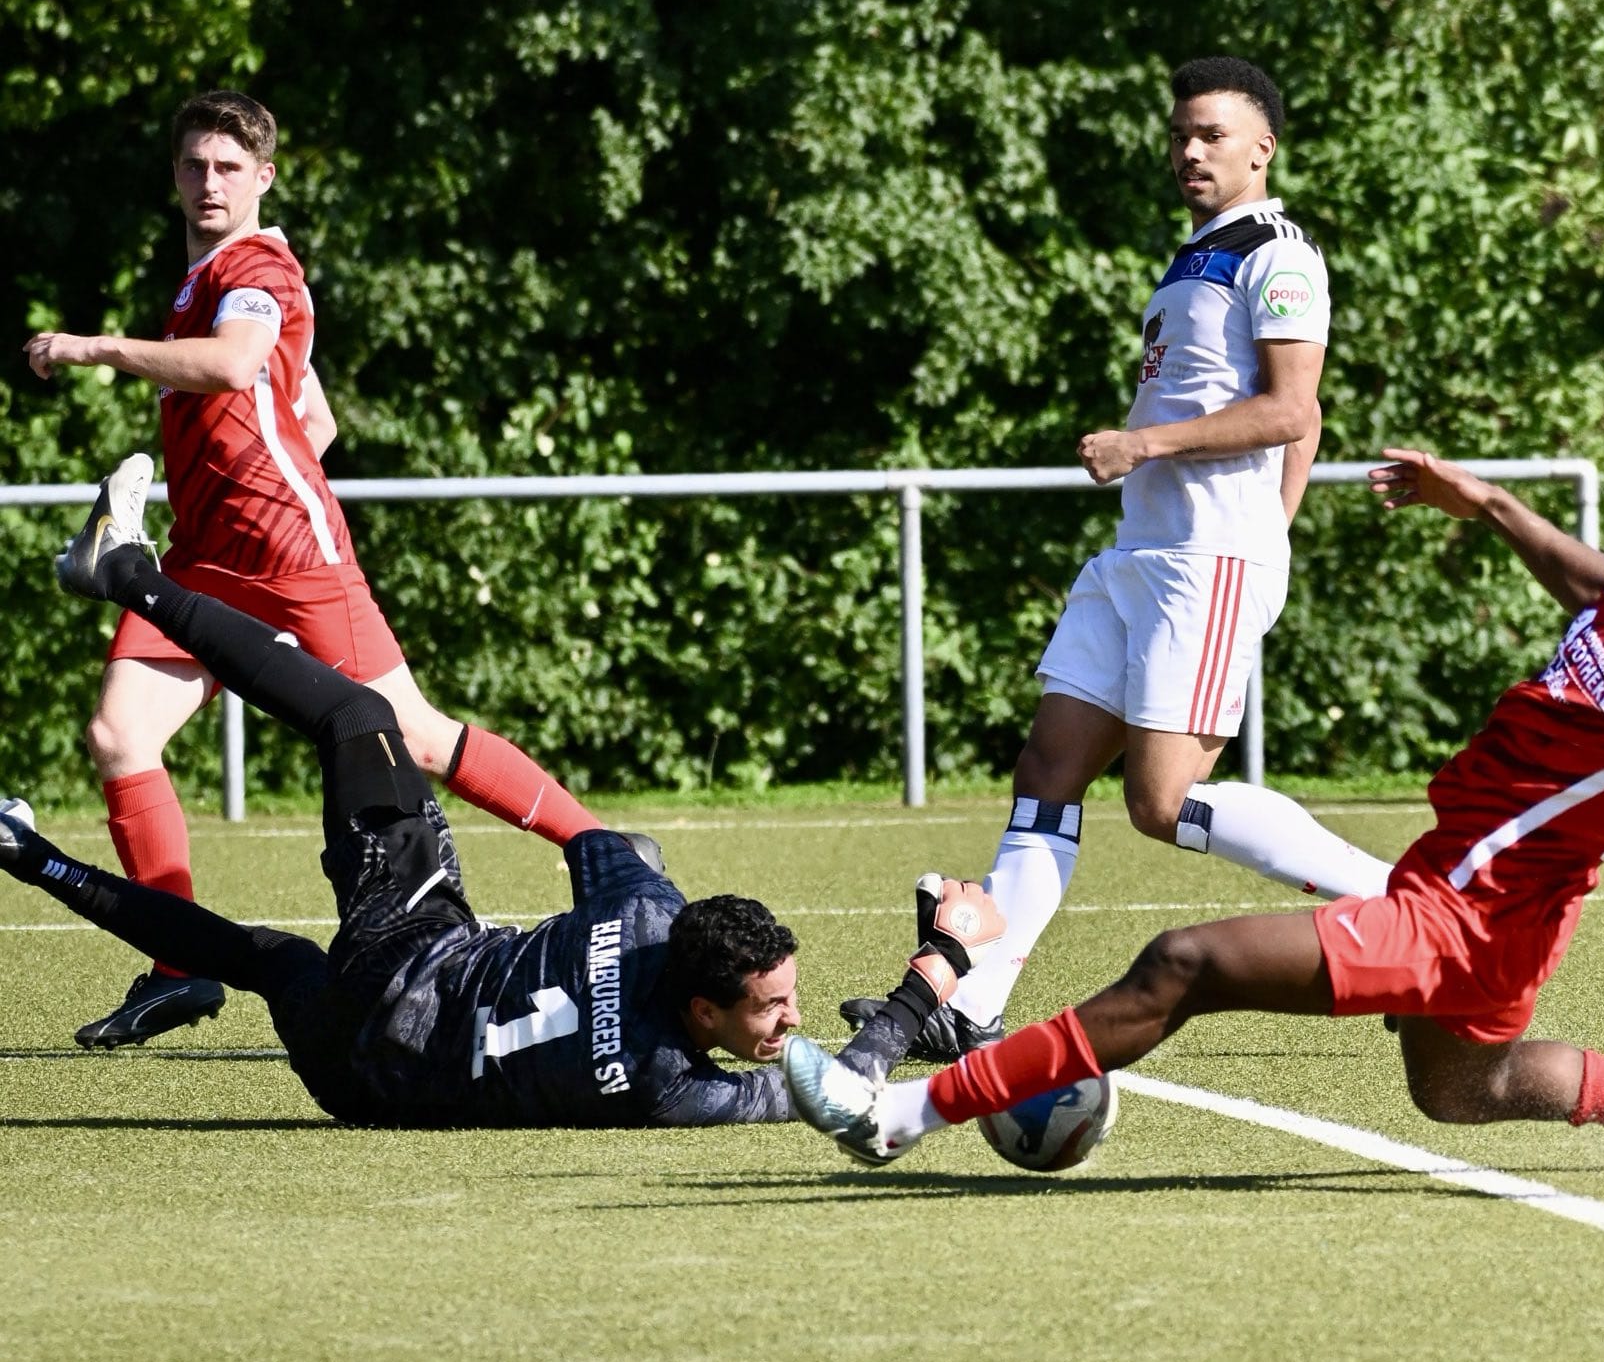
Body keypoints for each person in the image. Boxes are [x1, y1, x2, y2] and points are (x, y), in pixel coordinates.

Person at [785, 393, 1604, 1170]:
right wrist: (1487, 503)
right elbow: (1587, 578)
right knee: (1461, 1089)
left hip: (1462, 915)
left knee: (1182, 962)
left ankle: (898, 1112)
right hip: (1474, 898)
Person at [2, 456, 1002, 1127]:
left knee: (357, 720)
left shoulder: (645, 919)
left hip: (407, 963)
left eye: (781, 1004)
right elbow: (845, 1091)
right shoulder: (672, 1086)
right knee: (272, 952)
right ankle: (33, 833)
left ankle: (124, 586)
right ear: (702, 1004)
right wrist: (933, 981)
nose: (787, 1023)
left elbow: (603, 850)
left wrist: (939, 960)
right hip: (360, 1084)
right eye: (773, 1006)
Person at [24, 89, 607, 1048]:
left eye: (227, 167)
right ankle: (181, 971)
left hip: (289, 548)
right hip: (209, 556)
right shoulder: (202, 277)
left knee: (413, 738)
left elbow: (233, 363)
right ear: (174, 176)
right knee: (121, 735)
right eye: (193, 165)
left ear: (263, 176)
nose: (208, 182)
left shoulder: (257, 267)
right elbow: (314, 415)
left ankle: (600, 848)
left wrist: (94, 348)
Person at [842, 55, 1389, 1063]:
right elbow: (1287, 419)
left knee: (1159, 800)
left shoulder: (1280, 252)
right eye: (1180, 133)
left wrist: (1195, 488)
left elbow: (1292, 409)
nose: (1188, 149)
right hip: (1141, 551)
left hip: (1202, 557)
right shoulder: (1193, 255)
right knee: (1048, 766)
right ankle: (975, 996)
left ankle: (1394, 906)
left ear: (1261, 146)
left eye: (1211, 134)